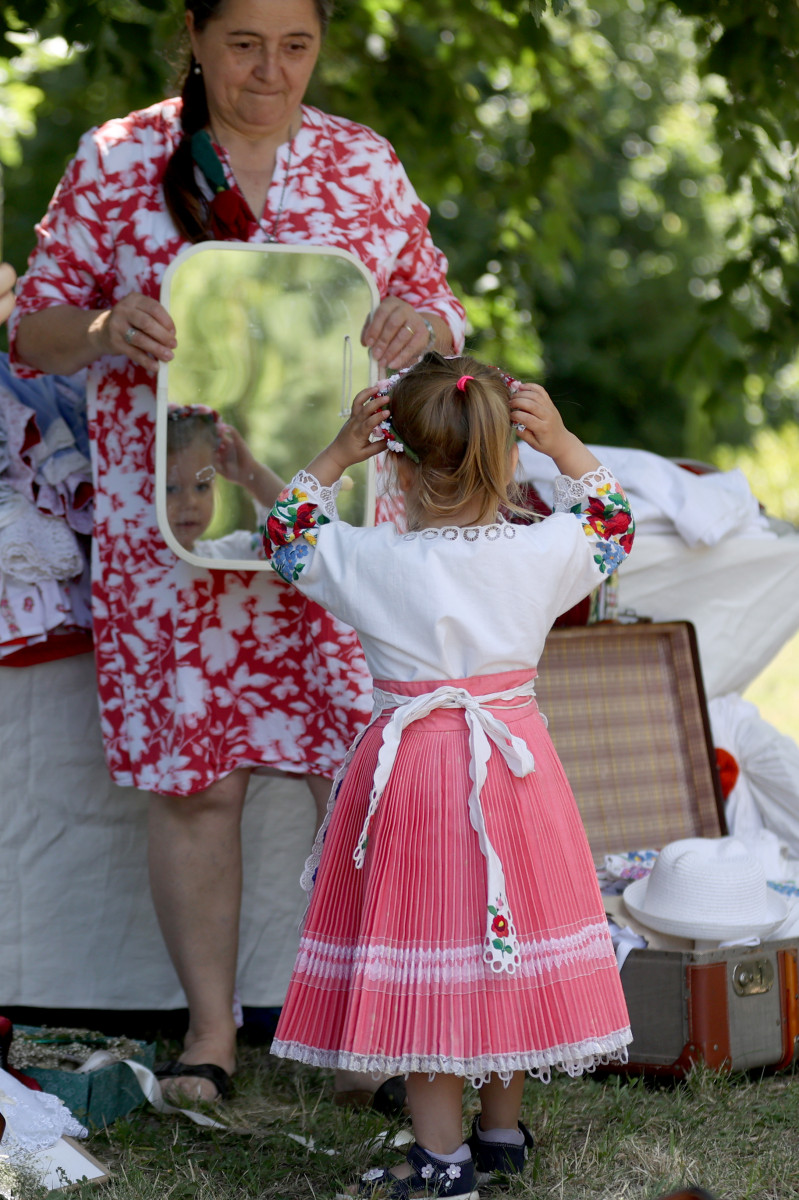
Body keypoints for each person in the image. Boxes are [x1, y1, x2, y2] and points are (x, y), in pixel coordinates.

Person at [10, 0, 465, 1103]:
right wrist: (107, 328)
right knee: (196, 787)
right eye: (245, 44)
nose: (271, 70)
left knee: (360, 778)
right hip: (171, 531)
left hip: (341, 531)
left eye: (295, 46)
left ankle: (370, 1041)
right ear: (197, 37)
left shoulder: (362, 163)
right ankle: (209, 1040)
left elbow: (441, 313)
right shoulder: (121, 159)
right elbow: (31, 329)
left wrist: (417, 327)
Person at [264, 353, 635, 1197]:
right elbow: (611, 523)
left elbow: (286, 538)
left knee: (431, 949)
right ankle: (498, 1135)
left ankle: (440, 1161)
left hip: (414, 774)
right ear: (507, 456)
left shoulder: (370, 559)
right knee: (507, 943)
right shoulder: (541, 550)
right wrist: (564, 446)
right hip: (514, 767)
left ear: (396, 464)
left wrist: (334, 454)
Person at [165, 403, 282, 556]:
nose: (190, 502)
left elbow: (293, 530)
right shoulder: (132, 561)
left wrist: (253, 475)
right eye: (171, 488)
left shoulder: (228, 556)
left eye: (201, 487)